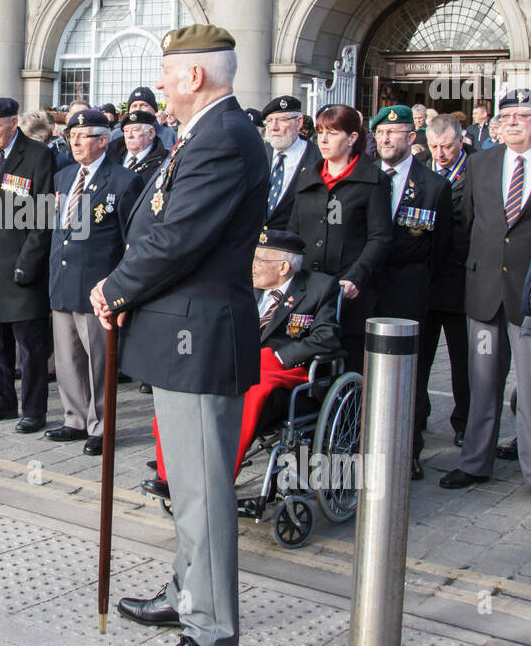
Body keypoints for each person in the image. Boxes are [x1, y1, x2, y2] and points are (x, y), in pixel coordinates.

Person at [93, 24, 267, 646]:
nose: (160, 86)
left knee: (201, 491)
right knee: (186, 486)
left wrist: (114, 288)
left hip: (198, 334)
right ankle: (186, 591)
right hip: (180, 333)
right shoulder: (205, 134)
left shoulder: (222, 137)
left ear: (193, 76)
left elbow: (177, 237)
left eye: (166, 73)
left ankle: (212, 626)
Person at [144, 229, 342, 495]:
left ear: (283, 266)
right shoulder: (244, 286)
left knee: (249, 393)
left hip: (284, 375)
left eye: (260, 260)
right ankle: (169, 471)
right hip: (237, 364)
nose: (253, 265)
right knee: (183, 381)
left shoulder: (319, 288)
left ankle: (216, 479)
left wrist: (280, 356)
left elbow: (326, 337)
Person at [441, 89, 531, 506]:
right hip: (485, 290)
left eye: (522, 115)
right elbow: (469, 223)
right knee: (482, 381)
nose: (511, 122)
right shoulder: (482, 163)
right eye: (505, 115)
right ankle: (476, 460)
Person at [44, 108, 142, 454]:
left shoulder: (123, 180)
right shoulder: (64, 176)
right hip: (63, 279)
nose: (75, 142)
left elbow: (132, 240)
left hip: (99, 286)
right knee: (67, 358)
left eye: (83, 136)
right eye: (72, 136)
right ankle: (74, 418)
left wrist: (120, 288)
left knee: (98, 359)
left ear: (103, 141)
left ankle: (101, 425)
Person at [0, 97, 57, 433]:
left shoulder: (37, 156)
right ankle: (0, 403)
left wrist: (28, 262)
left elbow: (44, 217)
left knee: (30, 350)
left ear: (13, 124)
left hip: (21, 268)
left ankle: (34, 410)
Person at [370, 104, 453, 480]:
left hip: (408, 292)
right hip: (366, 289)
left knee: (410, 375)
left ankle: (409, 449)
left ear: (411, 137)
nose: (387, 139)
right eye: (381, 134)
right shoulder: (363, 175)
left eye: (395, 132)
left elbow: (441, 248)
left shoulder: (434, 186)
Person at [288, 104, 391, 373]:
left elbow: (380, 237)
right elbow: (294, 231)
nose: (322, 140)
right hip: (308, 291)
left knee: (350, 365)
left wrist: (356, 276)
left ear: (352, 138)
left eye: (332, 133)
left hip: (349, 292)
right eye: (320, 132)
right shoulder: (307, 177)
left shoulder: (373, 180)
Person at [420, 114, 472, 447]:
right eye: (435, 146)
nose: (441, 154)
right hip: (427, 283)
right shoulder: (422, 170)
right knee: (421, 358)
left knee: (463, 362)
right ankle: (418, 415)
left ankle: (465, 421)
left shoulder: (478, 171)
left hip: (463, 282)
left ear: (461, 140)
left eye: (448, 147)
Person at [262, 95, 320, 231]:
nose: (274, 127)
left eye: (282, 120)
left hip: (296, 246)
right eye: (269, 121)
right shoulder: (258, 154)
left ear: (299, 123)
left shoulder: (318, 159)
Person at [107, 86, 177, 153]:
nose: (138, 109)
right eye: (134, 106)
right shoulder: (116, 135)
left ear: (154, 110)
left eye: (143, 105)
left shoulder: (169, 135)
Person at [117, 108, 167, 182]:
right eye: (126, 131)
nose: (129, 135)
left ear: (151, 133)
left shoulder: (165, 160)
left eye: (135, 130)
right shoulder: (111, 155)